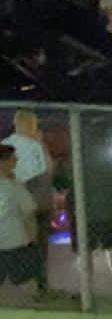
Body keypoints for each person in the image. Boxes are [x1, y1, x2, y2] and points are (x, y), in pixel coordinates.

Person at [71, 117, 112, 302]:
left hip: (83, 209)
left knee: (85, 251)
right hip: (108, 208)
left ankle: (86, 289)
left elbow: (63, 179)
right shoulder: (109, 153)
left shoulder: (76, 152)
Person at [2, 111, 50, 298]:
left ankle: (16, 282)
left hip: (10, 202)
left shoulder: (5, 144)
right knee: (36, 247)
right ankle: (39, 286)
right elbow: (44, 172)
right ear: (30, 125)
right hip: (34, 202)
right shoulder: (35, 146)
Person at [0, 145, 41, 304]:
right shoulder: (14, 186)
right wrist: (32, 239)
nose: (16, 161)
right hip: (16, 242)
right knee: (28, 283)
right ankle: (34, 306)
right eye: (12, 159)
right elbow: (29, 213)